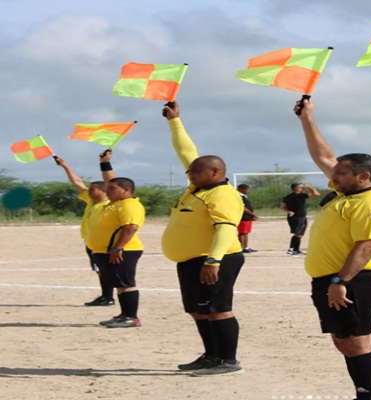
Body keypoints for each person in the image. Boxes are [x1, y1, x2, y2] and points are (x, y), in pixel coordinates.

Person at [295, 98, 371, 400]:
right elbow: (323, 155)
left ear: (364, 176)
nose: (333, 177)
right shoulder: (344, 194)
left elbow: (367, 246)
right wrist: (307, 119)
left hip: (351, 282)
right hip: (330, 280)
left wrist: (341, 282)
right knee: (343, 340)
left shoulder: (370, 200)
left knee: (357, 342)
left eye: (341, 174)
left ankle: (367, 396)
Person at [162, 101, 245, 375]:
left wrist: (213, 260)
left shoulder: (222, 194)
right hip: (191, 261)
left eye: (196, 172)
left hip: (214, 260)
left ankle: (228, 361)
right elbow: (186, 152)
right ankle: (211, 356)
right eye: (190, 172)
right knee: (198, 311)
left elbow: (225, 229)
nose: (190, 174)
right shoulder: (197, 186)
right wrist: (175, 122)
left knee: (217, 309)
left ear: (215, 172)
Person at [86, 174, 145, 328]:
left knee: (126, 283)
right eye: (107, 188)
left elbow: (130, 227)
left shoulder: (129, 205)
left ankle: (131, 317)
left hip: (123, 250)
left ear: (126, 190)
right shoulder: (114, 204)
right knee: (119, 284)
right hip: (105, 251)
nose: (107, 191)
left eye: (112, 188)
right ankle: (124, 314)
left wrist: (118, 247)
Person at [55, 153, 114, 306]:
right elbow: (77, 182)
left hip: (102, 243)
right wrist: (65, 166)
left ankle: (108, 297)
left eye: (93, 189)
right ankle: (106, 296)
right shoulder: (90, 200)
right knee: (99, 270)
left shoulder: (109, 203)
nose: (89, 191)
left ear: (103, 190)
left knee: (103, 270)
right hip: (91, 242)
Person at [280, 182, 320, 255]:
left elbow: (282, 207)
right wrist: (309, 187)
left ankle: (294, 249)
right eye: (301, 187)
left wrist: (289, 211)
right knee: (298, 234)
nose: (303, 188)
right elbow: (317, 194)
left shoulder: (287, 196)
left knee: (299, 234)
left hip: (298, 217)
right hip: (298, 217)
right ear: (297, 189)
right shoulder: (300, 195)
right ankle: (293, 250)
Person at [237, 183, 258, 253]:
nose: (248, 191)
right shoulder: (239, 197)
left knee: (246, 232)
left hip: (247, 217)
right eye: (247, 189)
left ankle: (246, 247)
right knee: (242, 233)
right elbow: (242, 208)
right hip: (243, 217)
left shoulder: (244, 197)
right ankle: (241, 248)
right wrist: (252, 214)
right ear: (241, 189)